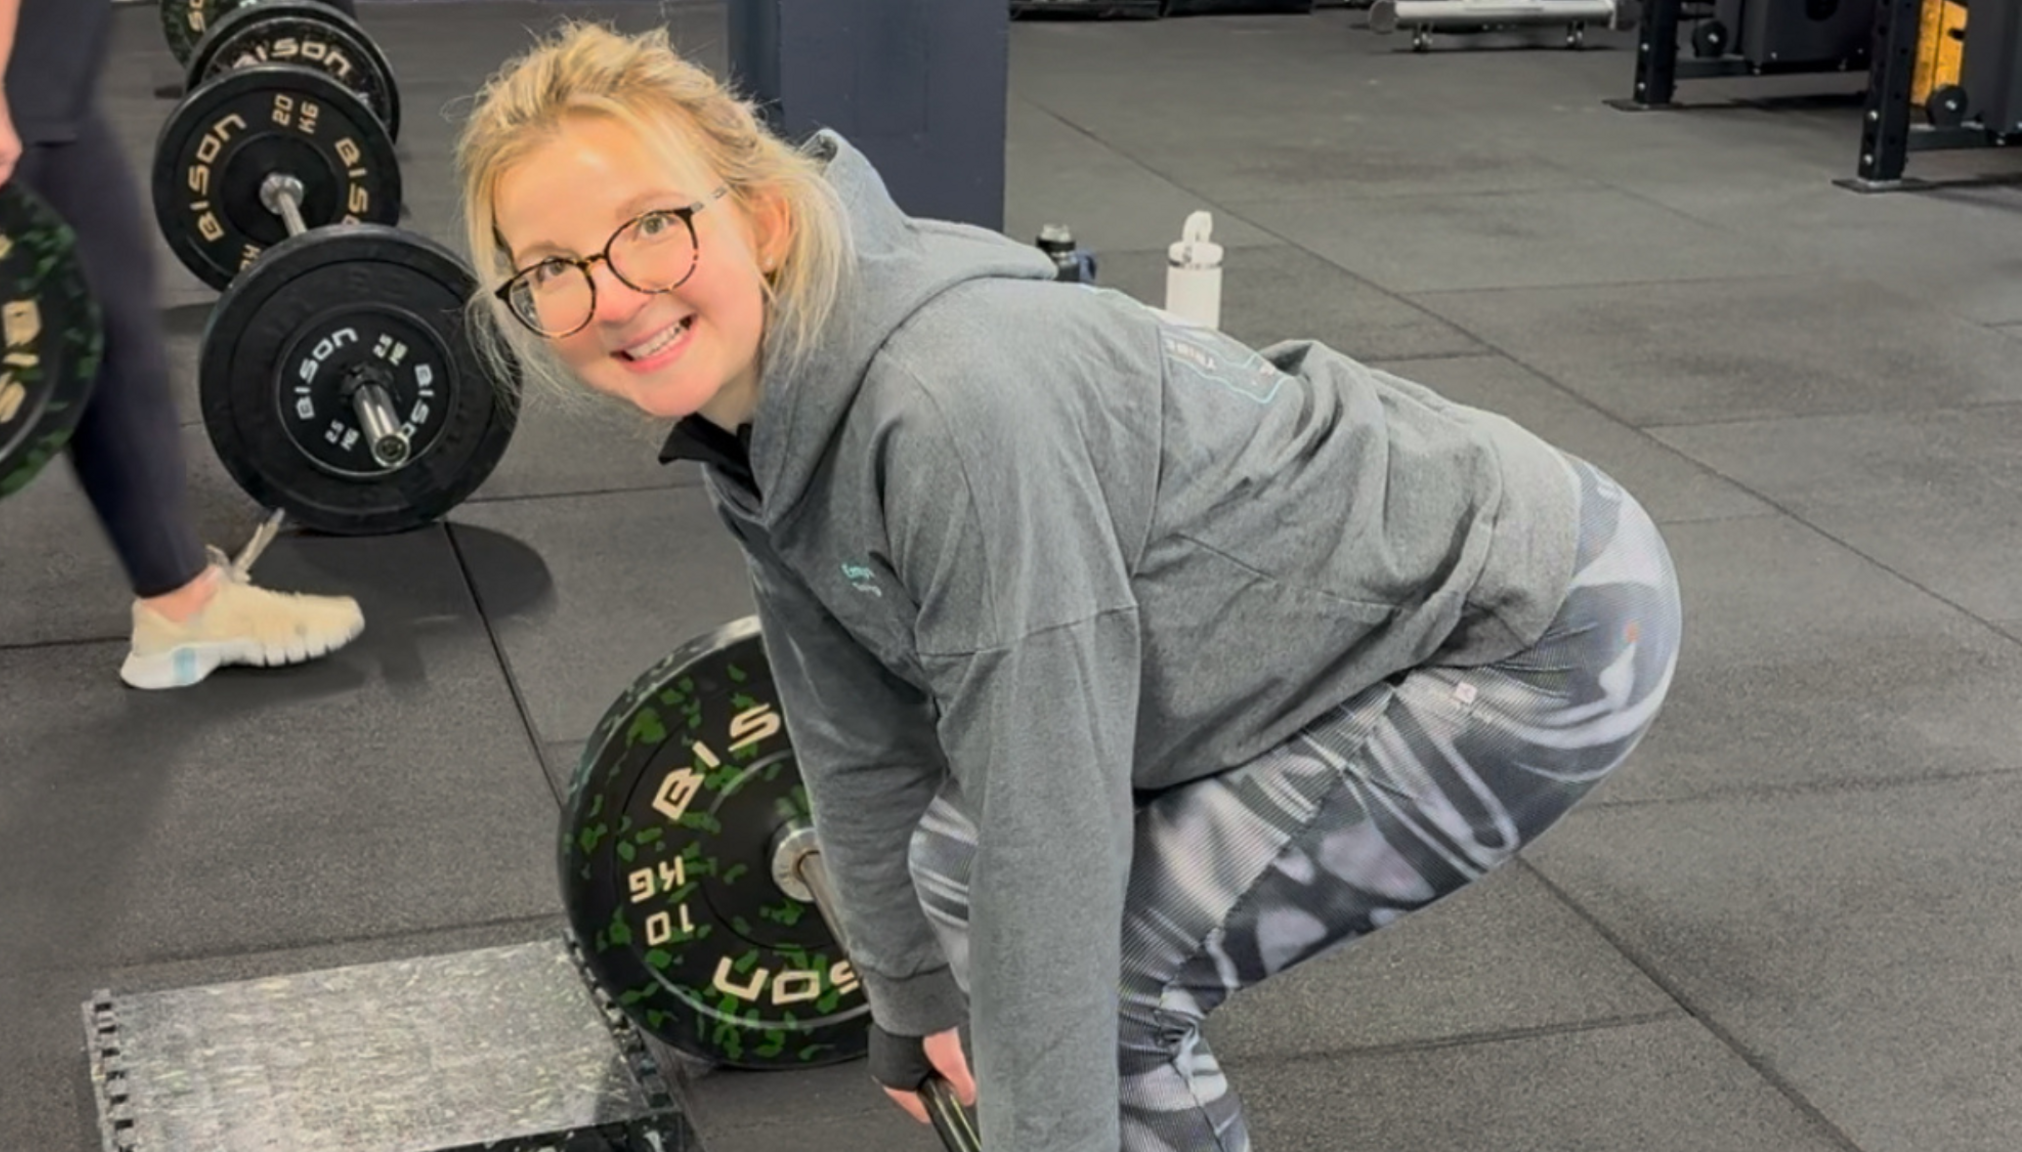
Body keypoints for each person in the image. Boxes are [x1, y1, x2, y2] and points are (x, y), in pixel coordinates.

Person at [456, 20, 1684, 1152]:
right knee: (956, 873)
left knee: (1106, 996)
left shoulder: (944, 413)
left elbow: (1051, 820)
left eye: (651, 227)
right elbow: (849, 727)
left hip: (1531, 620)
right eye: (551, 270)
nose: (613, 295)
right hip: (1351, 584)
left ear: (763, 221)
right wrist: (906, 996)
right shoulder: (760, 409)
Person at [0, 0, 365, 689]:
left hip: (44, 58)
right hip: (5, 60)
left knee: (105, 311)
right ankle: (180, 601)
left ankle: (180, 600)